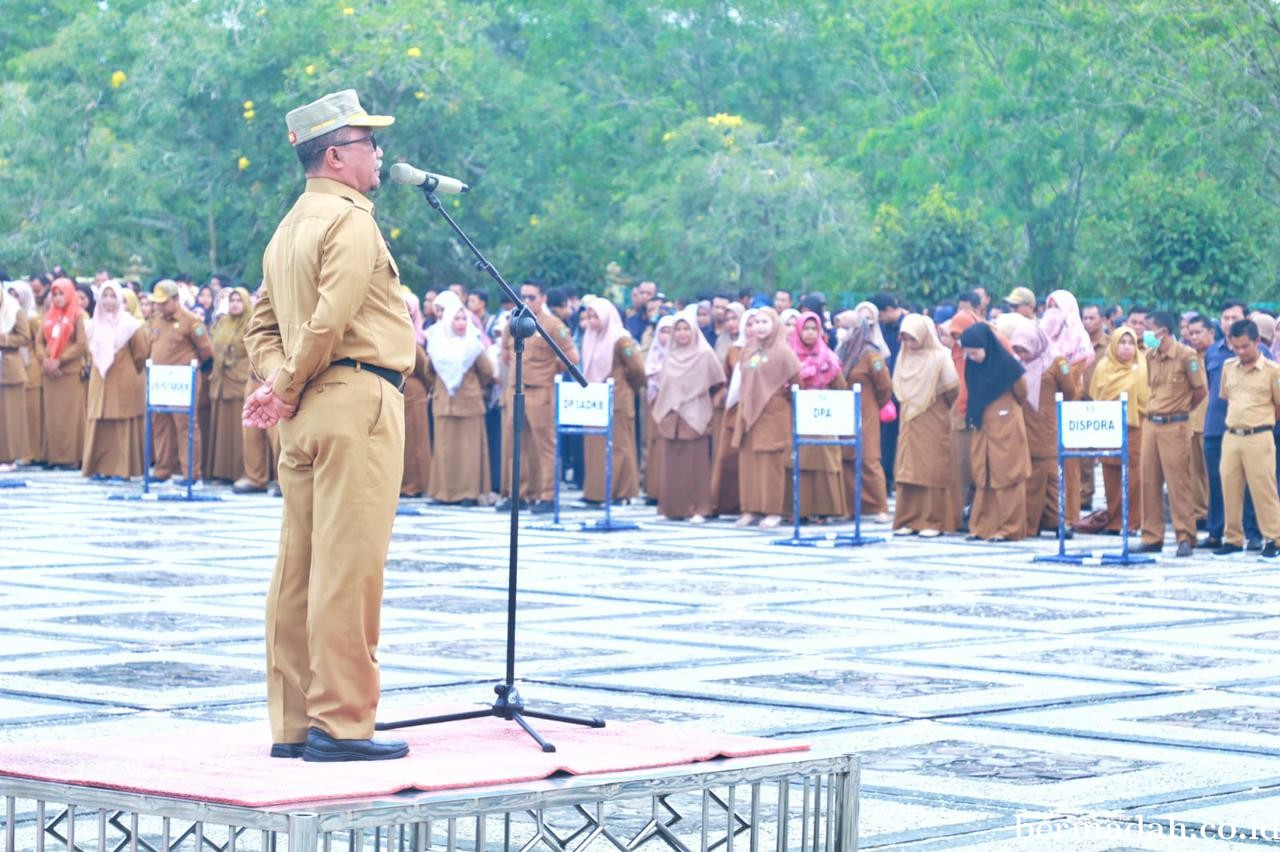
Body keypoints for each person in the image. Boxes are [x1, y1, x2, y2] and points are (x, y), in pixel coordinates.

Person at [242, 88, 411, 762]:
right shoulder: (352, 221)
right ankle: (339, 723)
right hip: (354, 399)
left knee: (300, 568)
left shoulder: (288, 227)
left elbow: (261, 324)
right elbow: (331, 318)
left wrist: (279, 383)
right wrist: (284, 385)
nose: (379, 154)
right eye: (370, 143)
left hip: (306, 415)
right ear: (337, 154)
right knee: (348, 568)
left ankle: (291, 722)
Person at [498, 278, 579, 513]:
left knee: (545, 446)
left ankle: (547, 496)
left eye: (531, 297)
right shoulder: (513, 322)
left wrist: (547, 370)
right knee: (515, 446)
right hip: (516, 390)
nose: (526, 301)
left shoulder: (552, 325)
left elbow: (572, 356)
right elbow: (505, 351)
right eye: (522, 296)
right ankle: (518, 494)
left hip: (540, 391)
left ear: (543, 298)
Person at [1134, 311, 1206, 557]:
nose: (1144, 332)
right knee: (1149, 480)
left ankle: (1185, 536)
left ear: (1162, 331)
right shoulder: (1150, 356)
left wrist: (1182, 410)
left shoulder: (1186, 355)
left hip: (1175, 424)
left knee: (1179, 483)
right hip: (1151, 424)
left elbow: (1200, 390)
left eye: (1148, 328)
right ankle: (1152, 536)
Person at [1212, 318, 1280, 559]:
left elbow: (1278, 405)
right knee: (1229, 487)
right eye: (1236, 347)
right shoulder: (1229, 367)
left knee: (1264, 489)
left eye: (1245, 347)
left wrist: (1263, 424)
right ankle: (1232, 538)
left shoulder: (1273, 371)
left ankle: (1274, 538)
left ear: (1257, 342)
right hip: (1231, 436)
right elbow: (1227, 398)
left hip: (1259, 436)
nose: (1240, 352)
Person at [960, 322, 1031, 542]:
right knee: (984, 476)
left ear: (987, 346)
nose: (973, 358)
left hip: (1006, 425)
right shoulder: (971, 366)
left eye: (975, 353)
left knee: (1007, 475)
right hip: (983, 428)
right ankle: (982, 527)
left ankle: (1009, 528)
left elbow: (1022, 393)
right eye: (968, 354)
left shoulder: (1007, 366)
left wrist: (1005, 410)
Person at [653, 309, 725, 521]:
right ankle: (672, 508)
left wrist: (708, 406)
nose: (682, 333)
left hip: (695, 415)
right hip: (671, 416)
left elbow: (719, 383)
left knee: (696, 465)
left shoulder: (704, 354)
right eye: (678, 329)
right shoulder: (670, 357)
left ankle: (699, 508)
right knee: (672, 464)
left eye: (686, 329)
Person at [732, 307, 801, 528]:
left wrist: (781, 399)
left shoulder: (783, 352)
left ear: (775, 325)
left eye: (765, 322)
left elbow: (798, 383)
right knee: (749, 463)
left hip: (772, 414)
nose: (759, 326)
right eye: (756, 322)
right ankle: (750, 509)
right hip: (749, 414)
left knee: (771, 465)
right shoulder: (749, 350)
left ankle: (773, 511)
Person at [891, 314, 959, 535]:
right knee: (908, 469)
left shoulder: (940, 357)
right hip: (909, 420)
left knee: (931, 468)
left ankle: (933, 521)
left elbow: (952, 391)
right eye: (905, 339)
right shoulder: (903, 357)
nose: (909, 344)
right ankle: (908, 519)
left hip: (934, 418)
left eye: (913, 339)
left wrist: (935, 406)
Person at [1201, 300, 1261, 549]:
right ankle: (1217, 532)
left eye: (1234, 317)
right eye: (1225, 317)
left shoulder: (1261, 354)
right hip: (1216, 427)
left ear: (1247, 319)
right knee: (1216, 482)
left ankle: (1253, 534)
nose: (1229, 322)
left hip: (1248, 428)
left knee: (1250, 483)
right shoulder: (1213, 352)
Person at [1010, 320, 1076, 536]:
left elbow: (1070, 391)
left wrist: (1051, 411)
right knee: (1030, 475)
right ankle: (1036, 522)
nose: (1022, 354)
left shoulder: (1056, 362)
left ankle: (1053, 521)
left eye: (1025, 349)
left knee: (1048, 474)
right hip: (1023, 423)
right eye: (1018, 349)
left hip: (1046, 426)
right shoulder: (1017, 364)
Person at [426, 300, 495, 504]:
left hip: (469, 404)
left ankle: (469, 493)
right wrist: (441, 388)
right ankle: (443, 493)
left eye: (464, 318)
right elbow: (429, 371)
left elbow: (487, 372)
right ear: (447, 320)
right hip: (444, 403)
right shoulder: (436, 344)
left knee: (469, 452)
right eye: (456, 318)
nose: (461, 322)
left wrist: (474, 388)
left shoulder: (473, 345)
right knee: (444, 451)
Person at [147, 279, 214, 484]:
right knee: (160, 424)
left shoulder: (191, 321)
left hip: (182, 381)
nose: (159, 306)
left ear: (176, 299)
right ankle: (162, 469)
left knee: (186, 425)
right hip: (160, 381)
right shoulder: (155, 319)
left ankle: (191, 474)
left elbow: (206, 352)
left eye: (164, 302)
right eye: (157, 303)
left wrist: (194, 371)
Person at [580, 297, 646, 505]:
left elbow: (637, 370)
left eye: (595, 316)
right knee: (594, 447)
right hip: (594, 399)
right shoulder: (590, 337)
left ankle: (622, 493)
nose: (591, 321)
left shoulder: (621, 339)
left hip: (617, 399)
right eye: (589, 316)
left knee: (619, 447)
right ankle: (595, 493)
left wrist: (627, 390)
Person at [82, 281, 149, 479]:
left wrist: (129, 372)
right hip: (99, 380)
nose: (109, 301)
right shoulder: (92, 325)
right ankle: (100, 467)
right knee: (100, 421)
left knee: (122, 422)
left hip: (123, 379)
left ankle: (122, 468)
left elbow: (141, 354)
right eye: (105, 296)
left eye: (113, 296)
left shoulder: (130, 325)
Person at [785, 311, 847, 521]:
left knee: (825, 459)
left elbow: (840, 387)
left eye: (814, 329)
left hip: (823, 416)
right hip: (798, 416)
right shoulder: (789, 356)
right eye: (806, 328)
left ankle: (825, 510)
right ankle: (799, 510)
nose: (810, 333)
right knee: (799, 459)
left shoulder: (829, 357)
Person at [1084, 326, 1147, 534]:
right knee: (1110, 473)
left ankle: (1134, 521)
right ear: (1114, 344)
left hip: (1134, 426)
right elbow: (1095, 392)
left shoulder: (1142, 365)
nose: (1127, 347)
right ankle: (1114, 520)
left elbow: (1147, 395)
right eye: (1122, 342)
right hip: (1109, 426)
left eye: (1131, 343)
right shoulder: (1103, 366)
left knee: (1133, 475)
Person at [837, 310, 892, 523]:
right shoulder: (842, 351)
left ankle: (879, 507)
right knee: (848, 457)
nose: (842, 332)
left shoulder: (871, 354)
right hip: (844, 411)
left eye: (846, 327)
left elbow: (885, 386)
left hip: (866, 412)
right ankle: (852, 506)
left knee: (868, 458)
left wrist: (874, 404)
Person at [204, 287, 254, 482]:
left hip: (239, 380)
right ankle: (220, 471)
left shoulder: (251, 323)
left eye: (239, 300)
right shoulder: (222, 322)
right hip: (220, 381)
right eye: (232, 300)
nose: (234, 304)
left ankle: (239, 472)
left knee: (237, 428)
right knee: (221, 427)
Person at [37, 278, 88, 469]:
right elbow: (39, 342)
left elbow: (81, 344)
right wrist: (46, 360)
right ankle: (53, 457)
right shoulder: (49, 315)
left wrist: (60, 359)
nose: (58, 298)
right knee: (52, 417)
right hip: (50, 372)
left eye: (61, 293)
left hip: (69, 372)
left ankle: (71, 458)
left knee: (70, 417)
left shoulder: (78, 315)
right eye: (55, 294)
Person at [710, 308, 755, 517]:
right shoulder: (735, 350)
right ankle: (723, 504)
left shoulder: (766, 352)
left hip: (756, 410)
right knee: (728, 457)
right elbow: (726, 378)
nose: (754, 328)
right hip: (734, 409)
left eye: (759, 323)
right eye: (750, 324)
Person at [399, 290, 432, 499]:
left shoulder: (414, 335)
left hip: (412, 392)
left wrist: (429, 388)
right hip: (400, 392)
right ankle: (405, 484)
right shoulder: (398, 332)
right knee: (403, 443)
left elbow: (424, 367)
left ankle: (415, 485)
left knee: (415, 443)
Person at [642, 315, 676, 504]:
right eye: (663, 331)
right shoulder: (653, 354)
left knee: (667, 446)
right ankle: (653, 490)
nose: (666, 336)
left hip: (673, 406)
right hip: (654, 403)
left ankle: (667, 489)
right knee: (653, 445)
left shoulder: (681, 356)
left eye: (670, 331)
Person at [0, 283, 33, 470]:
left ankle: (9, 458)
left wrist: (2, 339)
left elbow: (24, 338)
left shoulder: (14, 310)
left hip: (8, 369)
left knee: (9, 416)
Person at [1186, 313, 1213, 526]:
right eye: (1191, 332)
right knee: (1195, 472)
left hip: (1213, 422)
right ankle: (1200, 513)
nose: (1194, 337)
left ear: (1210, 333)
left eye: (1198, 332)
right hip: (1193, 421)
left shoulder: (1220, 355)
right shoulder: (1188, 357)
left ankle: (1215, 512)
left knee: (1212, 471)